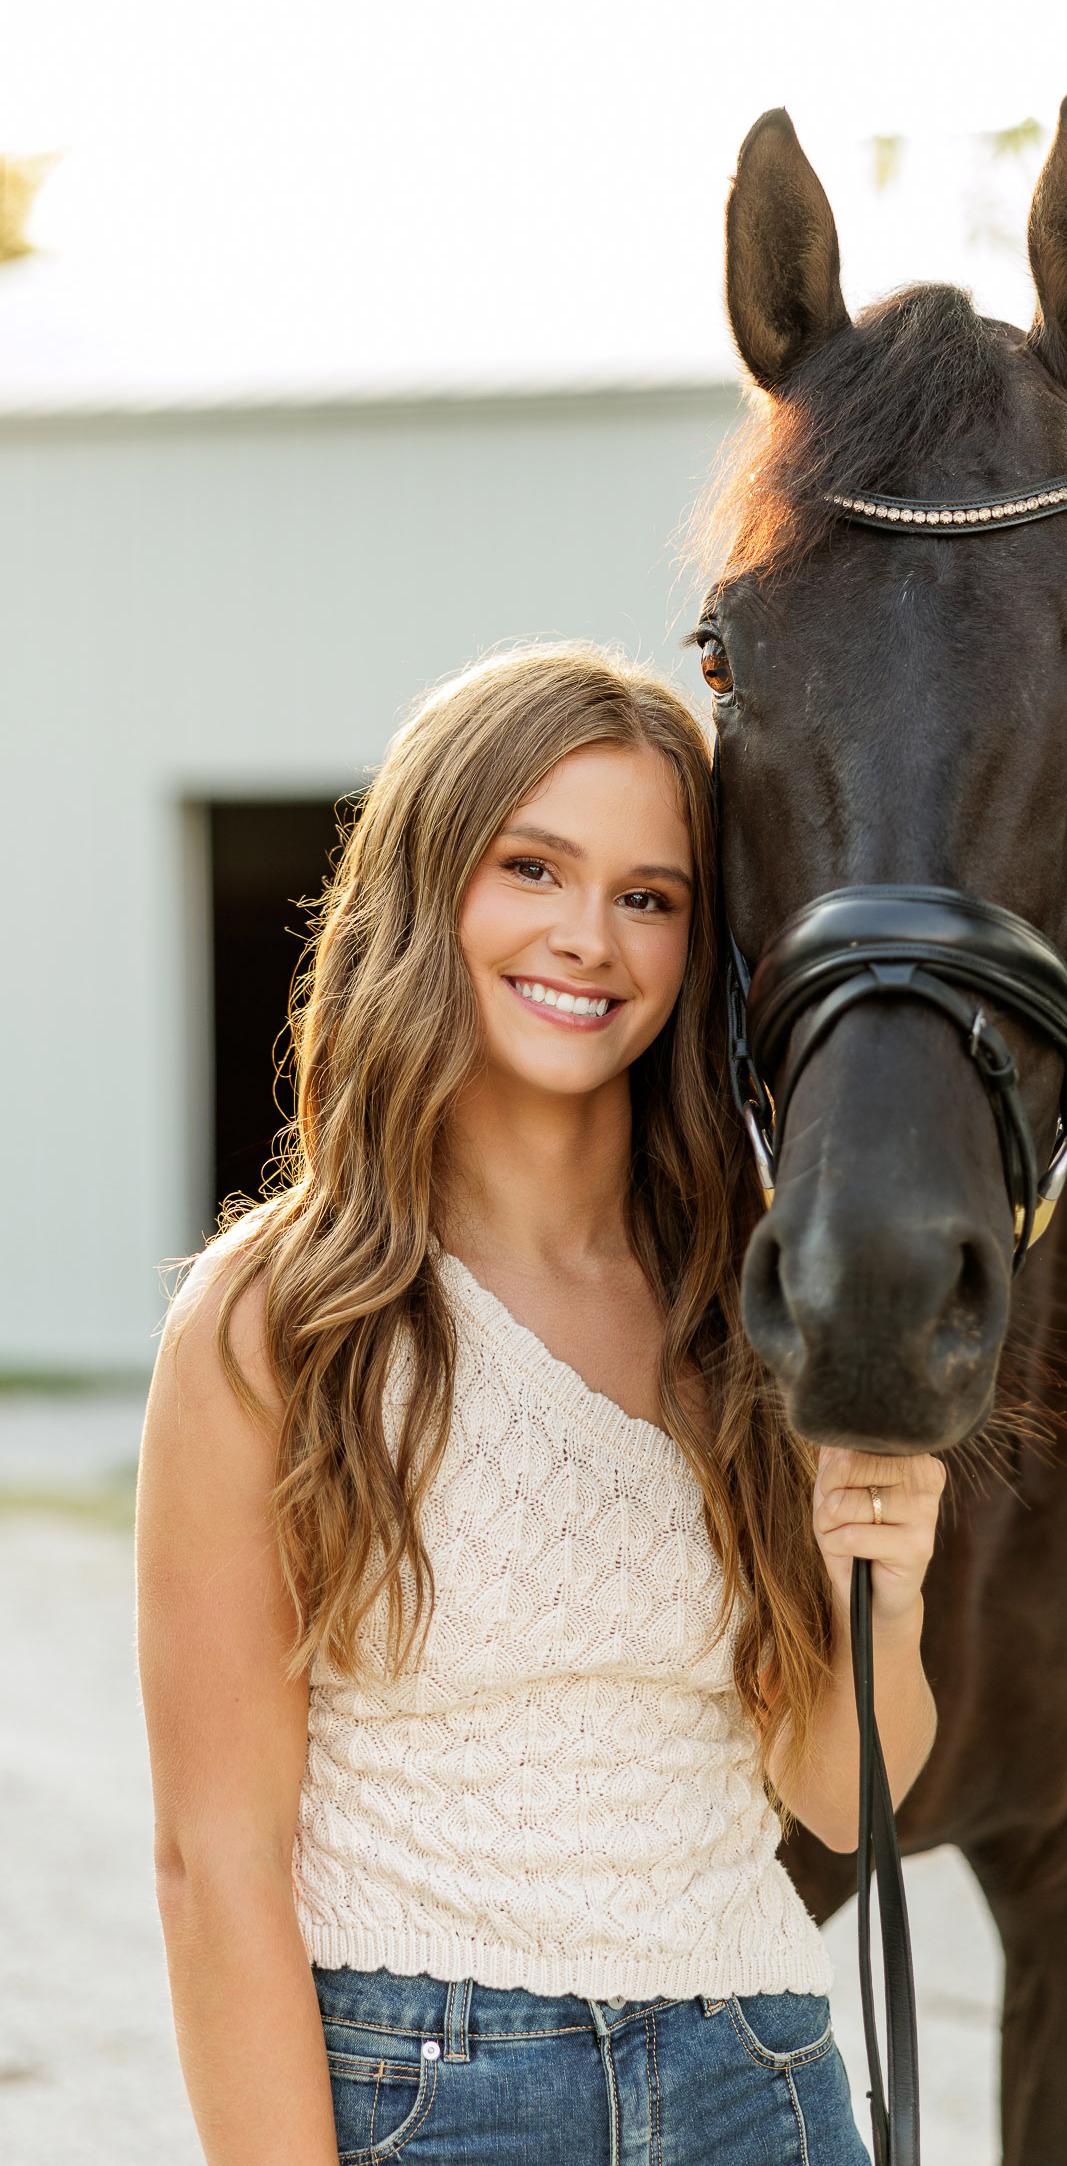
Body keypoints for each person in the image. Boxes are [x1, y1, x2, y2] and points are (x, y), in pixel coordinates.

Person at [136, 643, 944, 2166]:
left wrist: (885, 1597)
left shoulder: (753, 1291)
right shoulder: (275, 1319)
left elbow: (845, 1793)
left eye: (651, 895)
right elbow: (216, 1861)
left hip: (758, 2075)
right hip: (430, 2093)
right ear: (431, 883)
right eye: (535, 867)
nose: (591, 938)